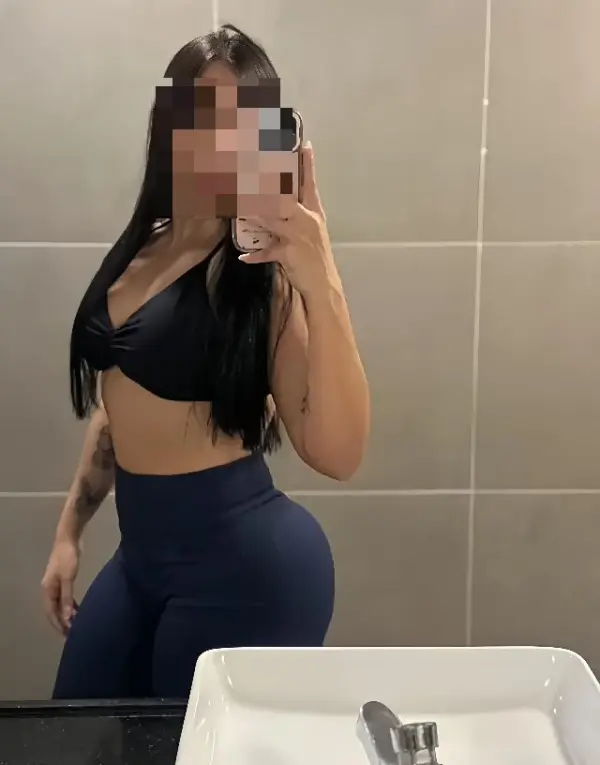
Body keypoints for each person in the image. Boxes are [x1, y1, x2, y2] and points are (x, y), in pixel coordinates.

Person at [41, 24, 370, 700]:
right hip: (139, 558)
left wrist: (323, 278)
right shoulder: (144, 248)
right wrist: (69, 532)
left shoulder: (259, 277)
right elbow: (117, 404)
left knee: (193, 744)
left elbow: (339, 452)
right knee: (76, 726)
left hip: (246, 564)